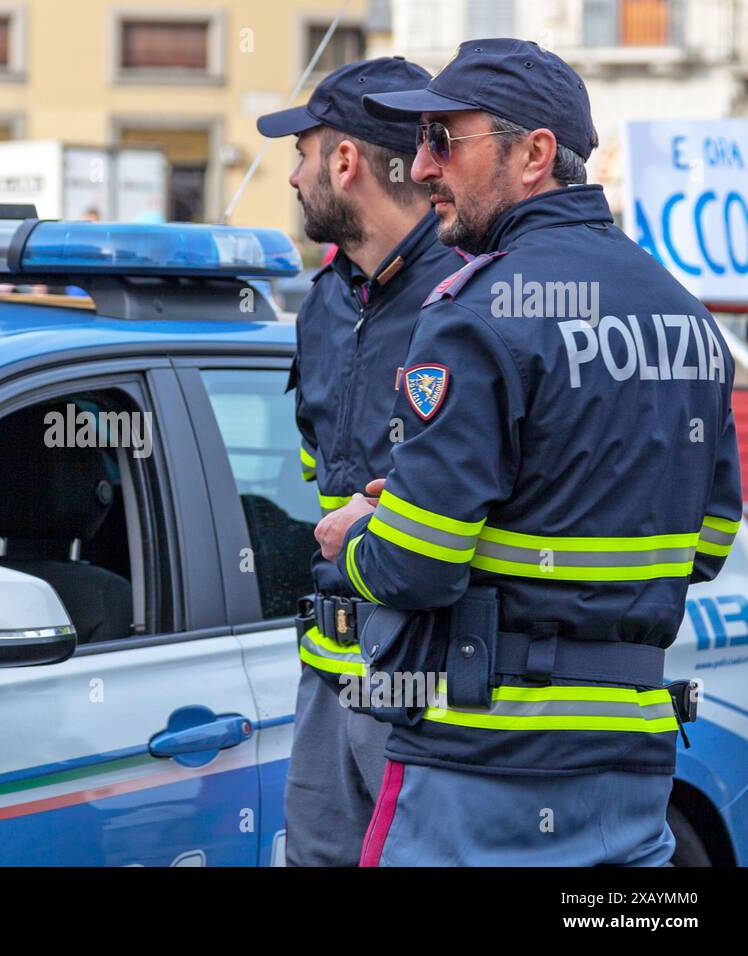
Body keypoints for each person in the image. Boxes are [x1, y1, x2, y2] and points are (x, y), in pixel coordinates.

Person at [314, 37, 741, 866]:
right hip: (631, 765)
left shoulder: (475, 314)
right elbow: (709, 543)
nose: (422, 167)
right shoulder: (686, 316)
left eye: (445, 139)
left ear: (535, 154)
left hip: (483, 768)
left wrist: (355, 536)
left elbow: (417, 565)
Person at [256, 56, 463, 866]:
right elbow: (323, 471)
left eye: (303, 153)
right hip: (328, 671)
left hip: (427, 683)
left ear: (345, 162)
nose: (294, 175)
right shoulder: (325, 300)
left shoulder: (471, 297)